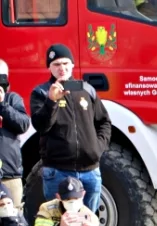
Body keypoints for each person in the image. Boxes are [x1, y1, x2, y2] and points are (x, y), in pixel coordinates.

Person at [30, 44, 111, 215]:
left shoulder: (86, 89)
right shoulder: (41, 92)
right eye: (56, 64)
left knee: (88, 223)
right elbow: (41, 126)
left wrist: (97, 148)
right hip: (58, 172)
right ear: (49, 67)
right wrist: (51, 101)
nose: (62, 68)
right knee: (59, 223)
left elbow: (104, 122)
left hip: (90, 171)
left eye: (65, 63)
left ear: (73, 64)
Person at [0, 59, 32, 211]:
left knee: (14, 219)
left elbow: (23, 124)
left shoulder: (12, 99)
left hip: (9, 175)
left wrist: (3, 105)